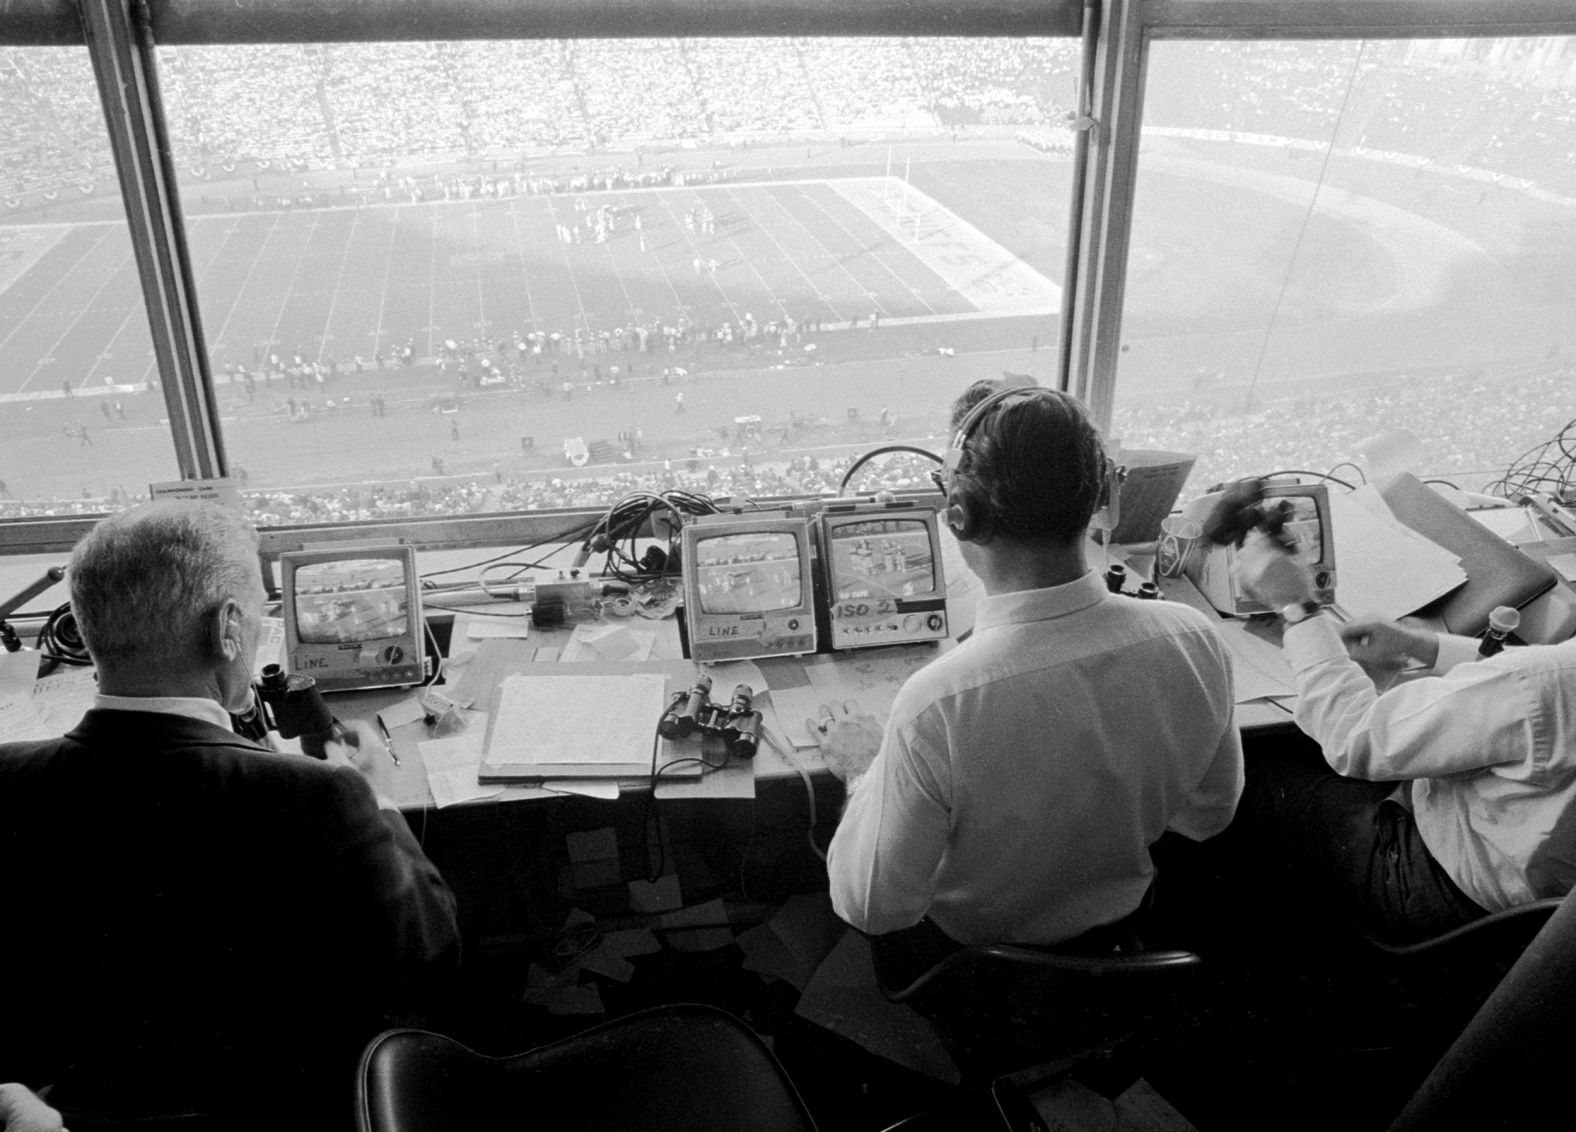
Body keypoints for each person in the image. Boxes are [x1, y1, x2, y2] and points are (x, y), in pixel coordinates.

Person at [0, 502, 459, 1130]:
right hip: (291, 1108)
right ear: (227, 630)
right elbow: (428, 959)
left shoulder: (7, 780)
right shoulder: (319, 796)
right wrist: (372, 797)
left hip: (79, 1108)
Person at [820, 387, 1242, 972]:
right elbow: (1208, 816)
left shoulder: (936, 704)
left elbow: (869, 907)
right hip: (1121, 951)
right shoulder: (1195, 639)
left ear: (959, 515)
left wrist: (865, 770)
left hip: (973, 972)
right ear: (1104, 494)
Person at [1234, 530, 1576, 944]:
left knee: (1248, 769)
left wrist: (1297, 609)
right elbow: (1537, 692)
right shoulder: (1547, 680)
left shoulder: (1546, 682)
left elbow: (1353, 737)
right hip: (1536, 916)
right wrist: (1424, 646)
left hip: (1429, 888)